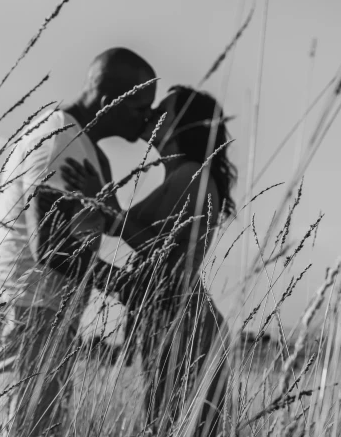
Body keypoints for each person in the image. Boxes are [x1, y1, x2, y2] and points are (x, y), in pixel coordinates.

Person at [0, 47, 156, 437]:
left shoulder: (86, 147)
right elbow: (51, 244)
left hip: (44, 313)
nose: (145, 121)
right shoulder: (61, 139)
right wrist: (127, 287)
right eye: (141, 108)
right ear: (111, 101)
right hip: (25, 309)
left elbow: (106, 221)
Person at [60, 85, 236, 437]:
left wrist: (105, 210)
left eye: (162, 110)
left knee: (177, 425)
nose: (151, 114)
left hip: (184, 320)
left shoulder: (191, 175)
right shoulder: (182, 174)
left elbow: (160, 246)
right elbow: (135, 231)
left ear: (182, 123)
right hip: (173, 317)